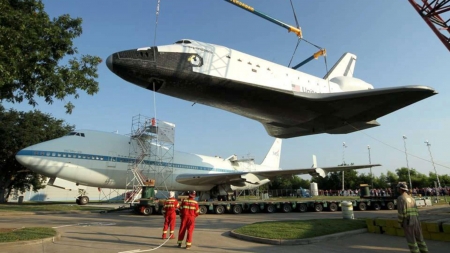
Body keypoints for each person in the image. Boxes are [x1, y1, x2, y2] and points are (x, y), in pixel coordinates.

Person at [397, 182, 429, 253]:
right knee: (420, 239)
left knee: (412, 241)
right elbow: (416, 211)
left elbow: (401, 213)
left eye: (398, 188)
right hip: (416, 221)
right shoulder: (412, 198)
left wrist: (399, 222)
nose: (397, 190)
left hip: (408, 222)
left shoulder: (400, 198)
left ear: (401, 189)